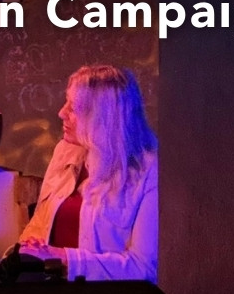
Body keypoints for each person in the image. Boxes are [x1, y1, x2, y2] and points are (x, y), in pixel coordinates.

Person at [13, 64, 158, 282]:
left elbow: (144, 268)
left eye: (73, 108)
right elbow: (39, 224)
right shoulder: (65, 151)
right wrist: (25, 249)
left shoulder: (149, 171)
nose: (61, 113)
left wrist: (63, 259)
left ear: (103, 117)